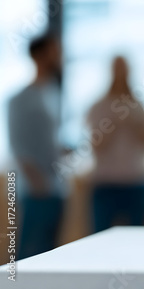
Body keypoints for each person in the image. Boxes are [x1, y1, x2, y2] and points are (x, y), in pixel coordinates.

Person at [8, 33, 64, 259]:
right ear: (40, 55)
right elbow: (17, 144)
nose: (59, 56)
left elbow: (49, 140)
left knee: (49, 253)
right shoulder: (20, 99)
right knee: (30, 252)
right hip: (35, 190)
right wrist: (36, 180)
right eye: (55, 51)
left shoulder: (51, 93)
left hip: (55, 187)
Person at [87, 56, 144, 232]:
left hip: (135, 181)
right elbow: (96, 145)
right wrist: (113, 124)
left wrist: (132, 122)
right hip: (106, 182)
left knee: (137, 237)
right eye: (117, 68)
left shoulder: (138, 106)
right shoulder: (98, 106)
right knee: (99, 236)